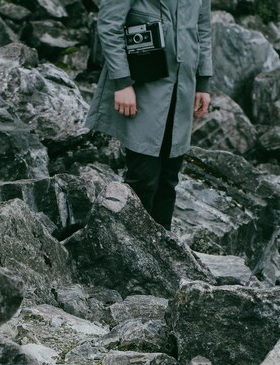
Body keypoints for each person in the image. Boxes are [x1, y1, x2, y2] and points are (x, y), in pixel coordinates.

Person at [85, 0, 212, 231]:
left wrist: (203, 81)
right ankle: (131, 248)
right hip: (143, 84)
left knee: (169, 178)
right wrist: (122, 82)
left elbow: (202, 28)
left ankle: (162, 249)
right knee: (143, 176)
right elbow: (109, 24)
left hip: (183, 85)